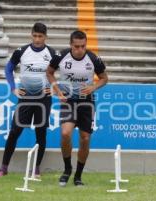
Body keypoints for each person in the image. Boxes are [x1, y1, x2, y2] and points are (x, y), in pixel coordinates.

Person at [0, 22, 55, 177]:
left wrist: (54, 88)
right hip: (26, 97)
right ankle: (4, 168)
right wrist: (13, 88)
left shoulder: (52, 53)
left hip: (43, 98)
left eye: (40, 36)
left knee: (41, 133)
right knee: (14, 132)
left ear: (45, 36)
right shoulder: (22, 51)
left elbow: (64, 72)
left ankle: (36, 168)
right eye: (35, 36)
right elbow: (8, 68)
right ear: (31, 34)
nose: (37, 39)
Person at [46, 30, 108, 186]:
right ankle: (67, 170)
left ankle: (78, 176)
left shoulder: (93, 58)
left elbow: (104, 78)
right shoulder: (61, 56)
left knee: (85, 138)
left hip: (86, 102)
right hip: (68, 101)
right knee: (66, 133)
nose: (80, 50)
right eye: (76, 46)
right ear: (70, 45)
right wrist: (57, 90)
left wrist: (93, 87)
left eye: (83, 46)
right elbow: (49, 72)